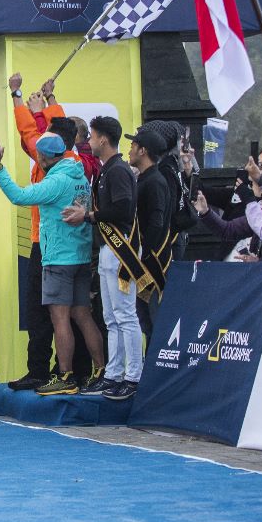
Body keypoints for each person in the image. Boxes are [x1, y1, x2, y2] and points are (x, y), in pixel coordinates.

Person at [0, 133, 104, 395]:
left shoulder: (56, 181)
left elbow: (18, 196)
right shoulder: (79, 176)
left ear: (42, 158)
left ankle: (65, 376)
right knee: (83, 315)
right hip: (81, 257)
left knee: (59, 318)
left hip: (58, 259)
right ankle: (100, 371)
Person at [63, 117, 141, 400]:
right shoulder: (108, 170)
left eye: (92, 138)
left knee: (125, 315)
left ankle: (133, 376)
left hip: (122, 249)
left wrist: (90, 216)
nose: (88, 143)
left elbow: (122, 209)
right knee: (111, 317)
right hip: (108, 249)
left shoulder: (119, 171)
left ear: (103, 140)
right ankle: (113, 373)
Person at [128, 126, 173, 335]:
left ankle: (156, 364)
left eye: (133, 145)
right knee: (144, 320)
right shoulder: (145, 178)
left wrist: (143, 251)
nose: (129, 150)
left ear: (142, 151)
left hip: (152, 260)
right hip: (145, 257)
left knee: (153, 318)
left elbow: (156, 220)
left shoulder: (155, 181)